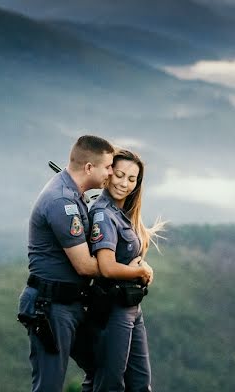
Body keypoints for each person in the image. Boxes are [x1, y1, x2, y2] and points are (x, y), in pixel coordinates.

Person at [19, 135, 143, 392]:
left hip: (73, 303)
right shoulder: (61, 201)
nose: (111, 173)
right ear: (89, 168)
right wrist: (129, 269)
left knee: (102, 369)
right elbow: (86, 266)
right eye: (108, 167)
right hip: (51, 306)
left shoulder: (75, 195)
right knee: (49, 385)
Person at [87, 149, 163, 392]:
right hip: (112, 308)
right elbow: (107, 268)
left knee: (140, 384)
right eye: (120, 175)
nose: (124, 183)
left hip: (132, 307)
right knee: (110, 384)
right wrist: (140, 273)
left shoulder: (126, 213)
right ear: (109, 173)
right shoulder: (103, 214)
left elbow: (135, 253)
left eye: (132, 179)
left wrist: (141, 266)